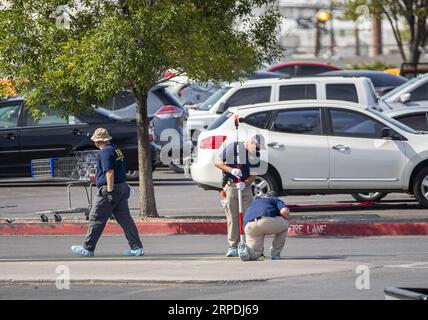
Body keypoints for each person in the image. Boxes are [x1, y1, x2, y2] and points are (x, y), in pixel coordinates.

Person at [71, 128, 144, 257]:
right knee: (125, 219)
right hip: (121, 187)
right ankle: (137, 247)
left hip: (110, 188)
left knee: (96, 218)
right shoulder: (115, 149)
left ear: (98, 141)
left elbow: (109, 172)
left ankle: (88, 248)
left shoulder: (105, 152)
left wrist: (109, 192)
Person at [215, 135, 263, 257]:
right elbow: (217, 162)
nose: (256, 150)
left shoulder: (255, 154)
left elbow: (254, 174)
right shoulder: (233, 148)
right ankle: (233, 246)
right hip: (231, 186)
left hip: (245, 188)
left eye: (258, 148)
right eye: (255, 147)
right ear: (249, 142)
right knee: (233, 217)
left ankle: (250, 245)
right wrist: (231, 170)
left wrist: (246, 183)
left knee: (249, 217)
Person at [240, 190, 289, 261]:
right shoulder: (275, 200)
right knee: (285, 224)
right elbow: (285, 211)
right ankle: (275, 254)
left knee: (256, 252)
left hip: (249, 225)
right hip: (264, 221)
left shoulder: (255, 201)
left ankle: (247, 251)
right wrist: (285, 218)